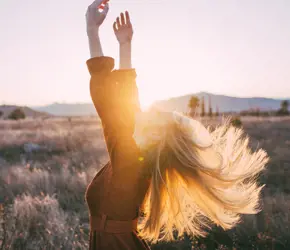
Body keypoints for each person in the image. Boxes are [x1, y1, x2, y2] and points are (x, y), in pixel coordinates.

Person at [85, 1, 269, 249]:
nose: (147, 112)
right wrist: (125, 45)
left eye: (154, 116)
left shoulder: (129, 159)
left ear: (153, 137)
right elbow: (127, 103)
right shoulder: (139, 154)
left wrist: (91, 30)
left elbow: (105, 98)